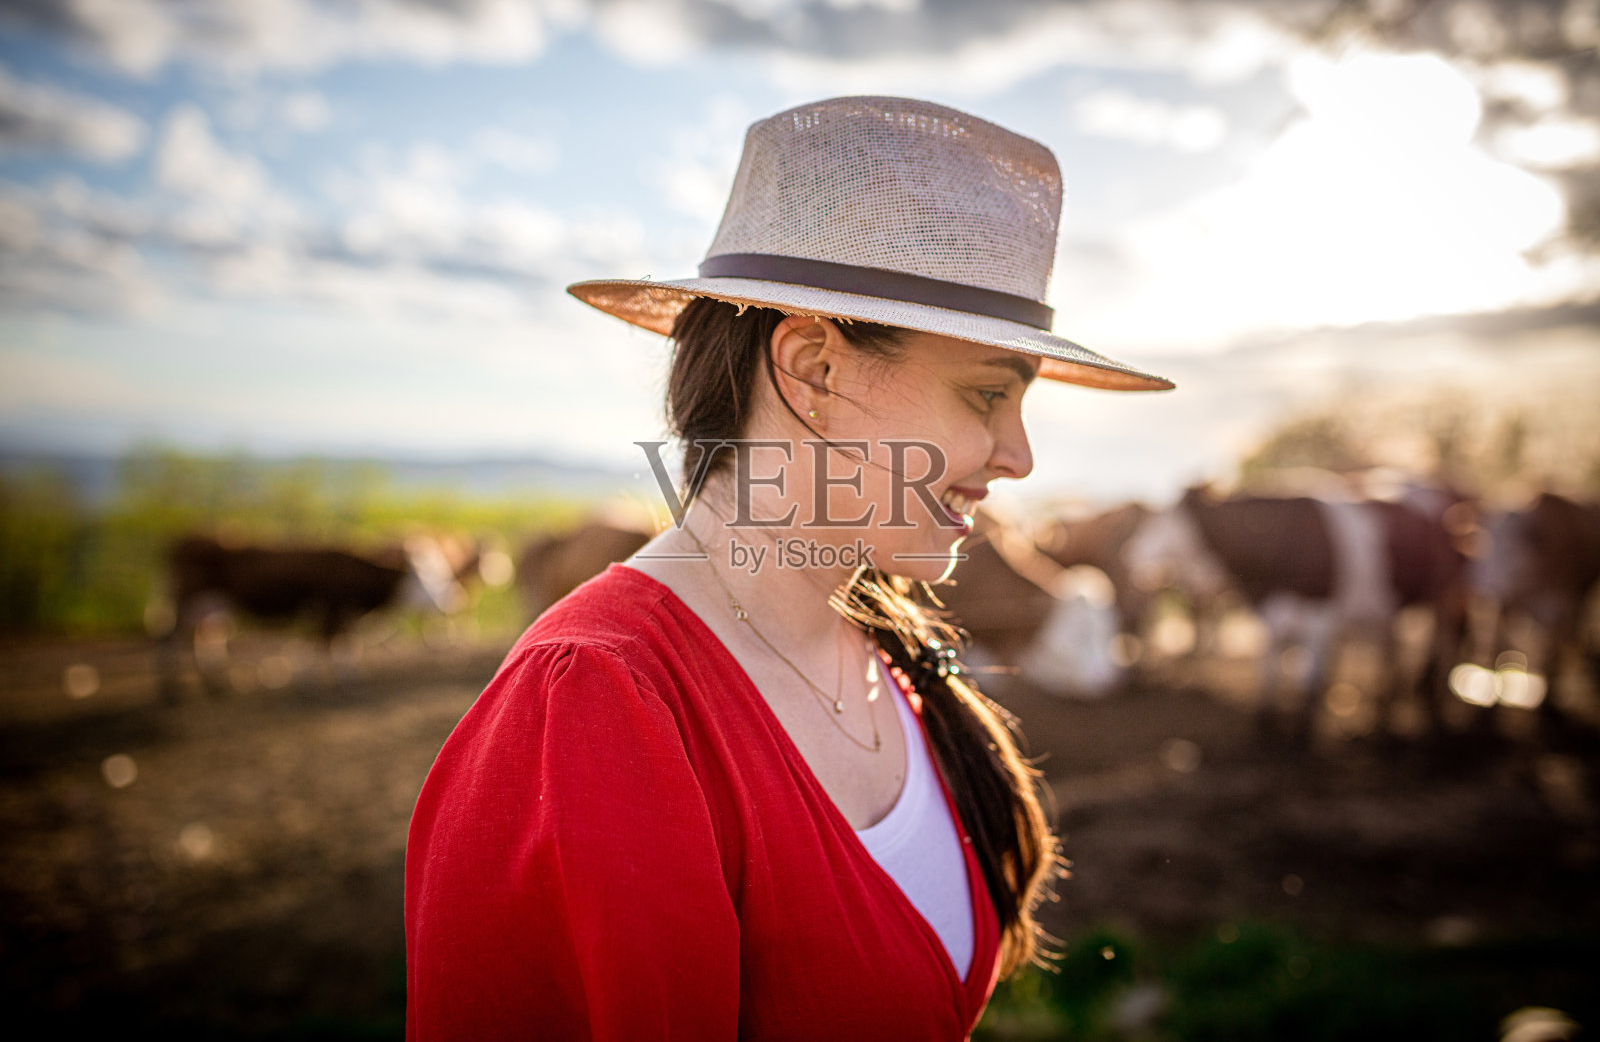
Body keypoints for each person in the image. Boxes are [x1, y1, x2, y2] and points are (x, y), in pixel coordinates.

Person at [405, 95, 1173, 1040]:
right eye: (986, 394)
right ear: (813, 367)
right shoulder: (599, 703)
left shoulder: (890, 646)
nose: (1018, 456)